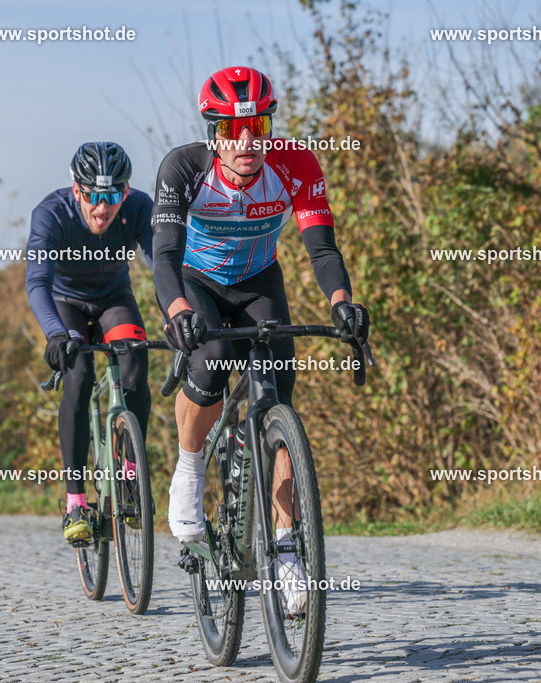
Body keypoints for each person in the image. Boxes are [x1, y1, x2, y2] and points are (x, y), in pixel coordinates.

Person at [150, 66, 370, 614]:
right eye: (232, 129)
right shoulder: (183, 168)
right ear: (213, 133)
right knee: (213, 359)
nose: (247, 141)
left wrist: (342, 304)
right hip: (198, 282)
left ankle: (287, 547)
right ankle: (189, 471)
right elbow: (165, 254)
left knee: (278, 401)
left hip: (258, 282)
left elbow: (322, 249)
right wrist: (177, 312)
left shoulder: (295, 163)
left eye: (259, 127)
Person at [26, 141, 154, 543]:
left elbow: (163, 268)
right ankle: (76, 502)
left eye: (112, 196)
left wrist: (179, 315)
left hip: (114, 300)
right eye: (93, 196)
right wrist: (55, 333)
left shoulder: (139, 208)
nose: (102, 208)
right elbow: (37, 282)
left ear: (126, 192)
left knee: (135, 365)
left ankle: (130, 474)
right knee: (79, 378)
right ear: (76, 190)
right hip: (66, 306)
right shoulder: (51, 214)